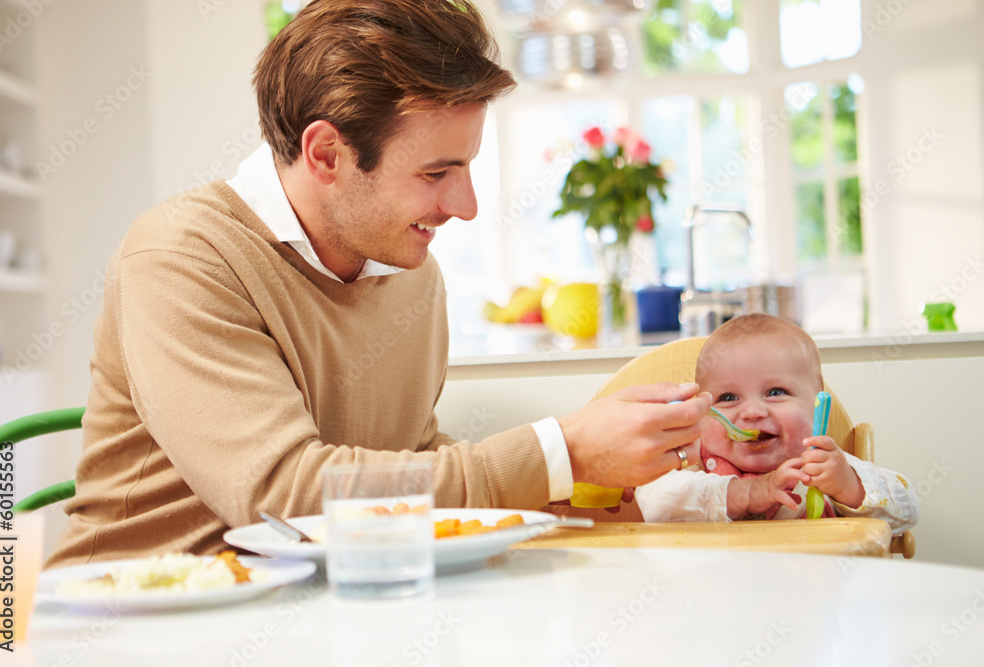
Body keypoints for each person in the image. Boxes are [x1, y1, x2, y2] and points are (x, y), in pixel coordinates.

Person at [46, 0, 710, 567]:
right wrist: (559, 451)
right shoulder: (182, 256)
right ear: (326, 154)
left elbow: (405, 464)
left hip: (320, 613)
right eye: (436, 172)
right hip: (134, 627)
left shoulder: (410, 273)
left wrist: (580, 485)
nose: (467, 204)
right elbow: (286, 493)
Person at [635, 313, 920, 534]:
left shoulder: (822, 466)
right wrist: (742, 494)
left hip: (810, 597)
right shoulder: (692, 463)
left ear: (817, 403)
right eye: (728, 397)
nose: (753, 412)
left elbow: (906, 509)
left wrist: (848, 486)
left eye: (775, 393)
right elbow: (651, 499)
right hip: (716, 600)